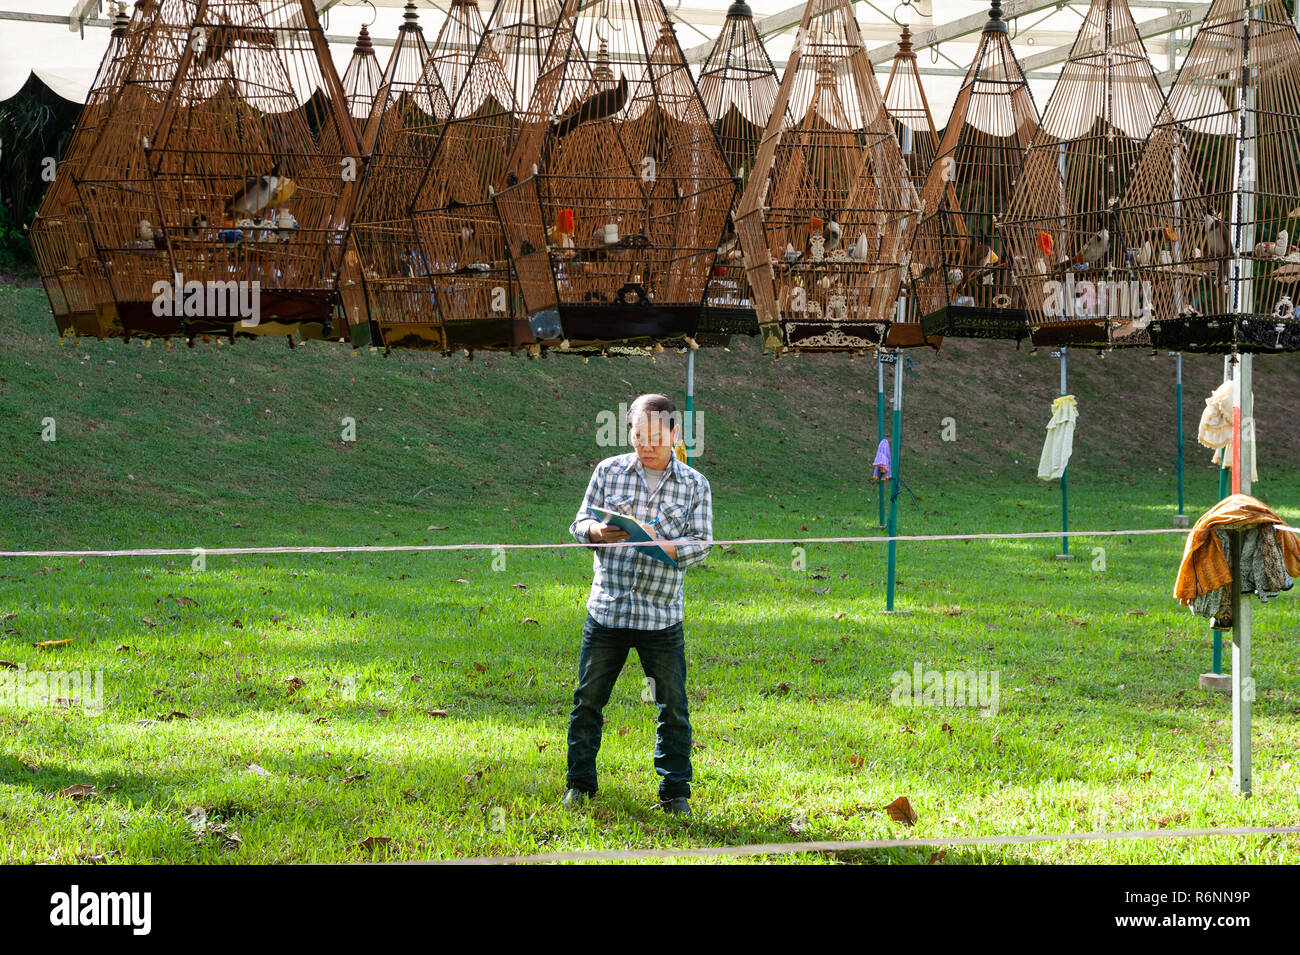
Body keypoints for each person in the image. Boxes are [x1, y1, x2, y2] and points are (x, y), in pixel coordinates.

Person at [564, 394, 713, 816]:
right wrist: (595, 531)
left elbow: (700, 546)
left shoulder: (694, 484)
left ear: (674, 433)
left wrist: (657, 543)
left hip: (661, 614)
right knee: (588, 699)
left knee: (674, 706)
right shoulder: (607, 471)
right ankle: (579, 785)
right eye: (637, 435)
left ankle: (675, 793)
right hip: (608, 609)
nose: (645, 445)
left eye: (654, 437)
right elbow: (578, 523)